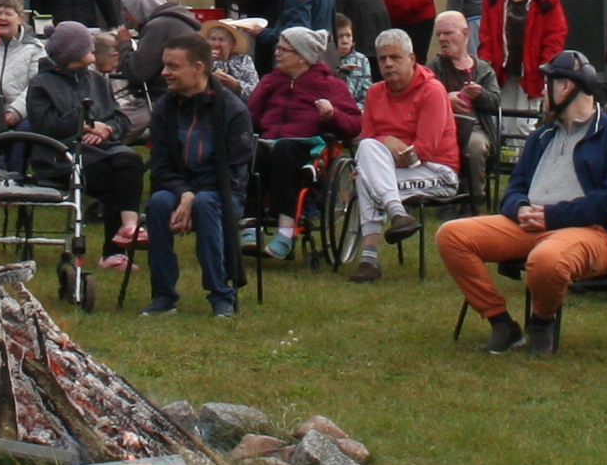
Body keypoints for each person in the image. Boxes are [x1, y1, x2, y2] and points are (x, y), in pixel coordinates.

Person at [436, 49, 607, 355]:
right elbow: (515, 187)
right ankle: (502, 323)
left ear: (566, 87)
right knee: (451, 236)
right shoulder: (542, 135)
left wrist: (552, 216)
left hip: (594, 230)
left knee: (547, 260)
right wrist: (520, 207)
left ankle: (542, 321)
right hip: (531, 224)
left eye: (548, 84)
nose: (543, 91)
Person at [22, 22, 146, 287]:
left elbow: (120, 119)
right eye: (86, 45)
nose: (93, 48)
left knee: (130, 161)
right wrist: (85, 124)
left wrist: (107, 129)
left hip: (101, 151)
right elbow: (45, 126)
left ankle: (127, 229)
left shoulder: (97, 81)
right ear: (73, 52)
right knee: (120, 178)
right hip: (61, 158)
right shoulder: (42, 84)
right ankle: (116, 249)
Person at [142, 30, 254, 319]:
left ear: (198, 68)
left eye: (173, 67)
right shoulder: (164, 108)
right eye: (165, 65)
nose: (164, 73)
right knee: (158, 204)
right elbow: (160, 164)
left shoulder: (232, 110)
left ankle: (221, 295)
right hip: (179, 190)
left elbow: (233, 171)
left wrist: (193, 197)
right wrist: (184, 193)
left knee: (206, 204)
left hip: (223, 192)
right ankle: (164, 296)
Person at [344, 29, 457, 281]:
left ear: (412, 59)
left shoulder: (432, 91)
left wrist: (375, 163)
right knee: (368, 155)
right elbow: (367, 142)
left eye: (395, 57)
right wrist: (386, 142)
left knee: (367, 180)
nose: (388, 64)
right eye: (382, 58)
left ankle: (370, 259)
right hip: (393, 171)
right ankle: (398, 214)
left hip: (437, 172)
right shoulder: (374, 93)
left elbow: (423, 152)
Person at [243, 28, 360, 262]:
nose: (276, 54)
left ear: (302, 56)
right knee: (254, 152)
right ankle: (250, 226)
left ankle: (286, 231)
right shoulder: (270, 81)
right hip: (269, 141)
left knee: (284, 150)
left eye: (283, 50)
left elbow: (354, 124)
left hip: (307, 146)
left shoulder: (330, 85)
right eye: (277, 48)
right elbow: (251, 117)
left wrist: (332, 115)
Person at [425, 11, 501, 191]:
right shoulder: (433, 67)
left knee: (475, 146)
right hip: (441, 129)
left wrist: (480, 94)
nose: (442, 39)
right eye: (439, 35)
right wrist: (445, 100)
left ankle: (474, 198)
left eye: (448, 33)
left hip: (475, 128)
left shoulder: (483, 69)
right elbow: (421, 97)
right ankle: (444, 194)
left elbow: (495, 102)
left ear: (465, 33)